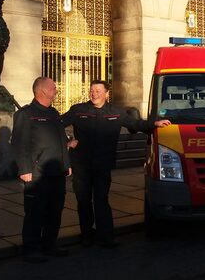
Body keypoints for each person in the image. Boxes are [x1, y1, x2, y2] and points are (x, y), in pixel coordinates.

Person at [62, 80, 170, 247]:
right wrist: (67, 141)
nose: (94, 93)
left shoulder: (116, 112)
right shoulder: (78, 110)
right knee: (83, 201)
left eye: (98, 90)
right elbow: (56, 125)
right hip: (82, 165)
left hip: (103, 164)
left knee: (101, 199)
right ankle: (87, 236)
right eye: (92, 90)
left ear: (106, 93)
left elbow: (136, 124)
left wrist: (154, 124)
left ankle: (105, 237)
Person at [11, 77, 71, 263]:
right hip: (37, 174)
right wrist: (24, 169)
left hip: (56, 172)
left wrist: (67, 164)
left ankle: (49, 244)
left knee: (55, 211)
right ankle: (31, 248)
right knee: (35, 212)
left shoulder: (53, 113)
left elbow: (61, 141)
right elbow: (19, 143)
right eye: (54, 87)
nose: (57, 90)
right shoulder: (26, 114)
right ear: (43, 91)